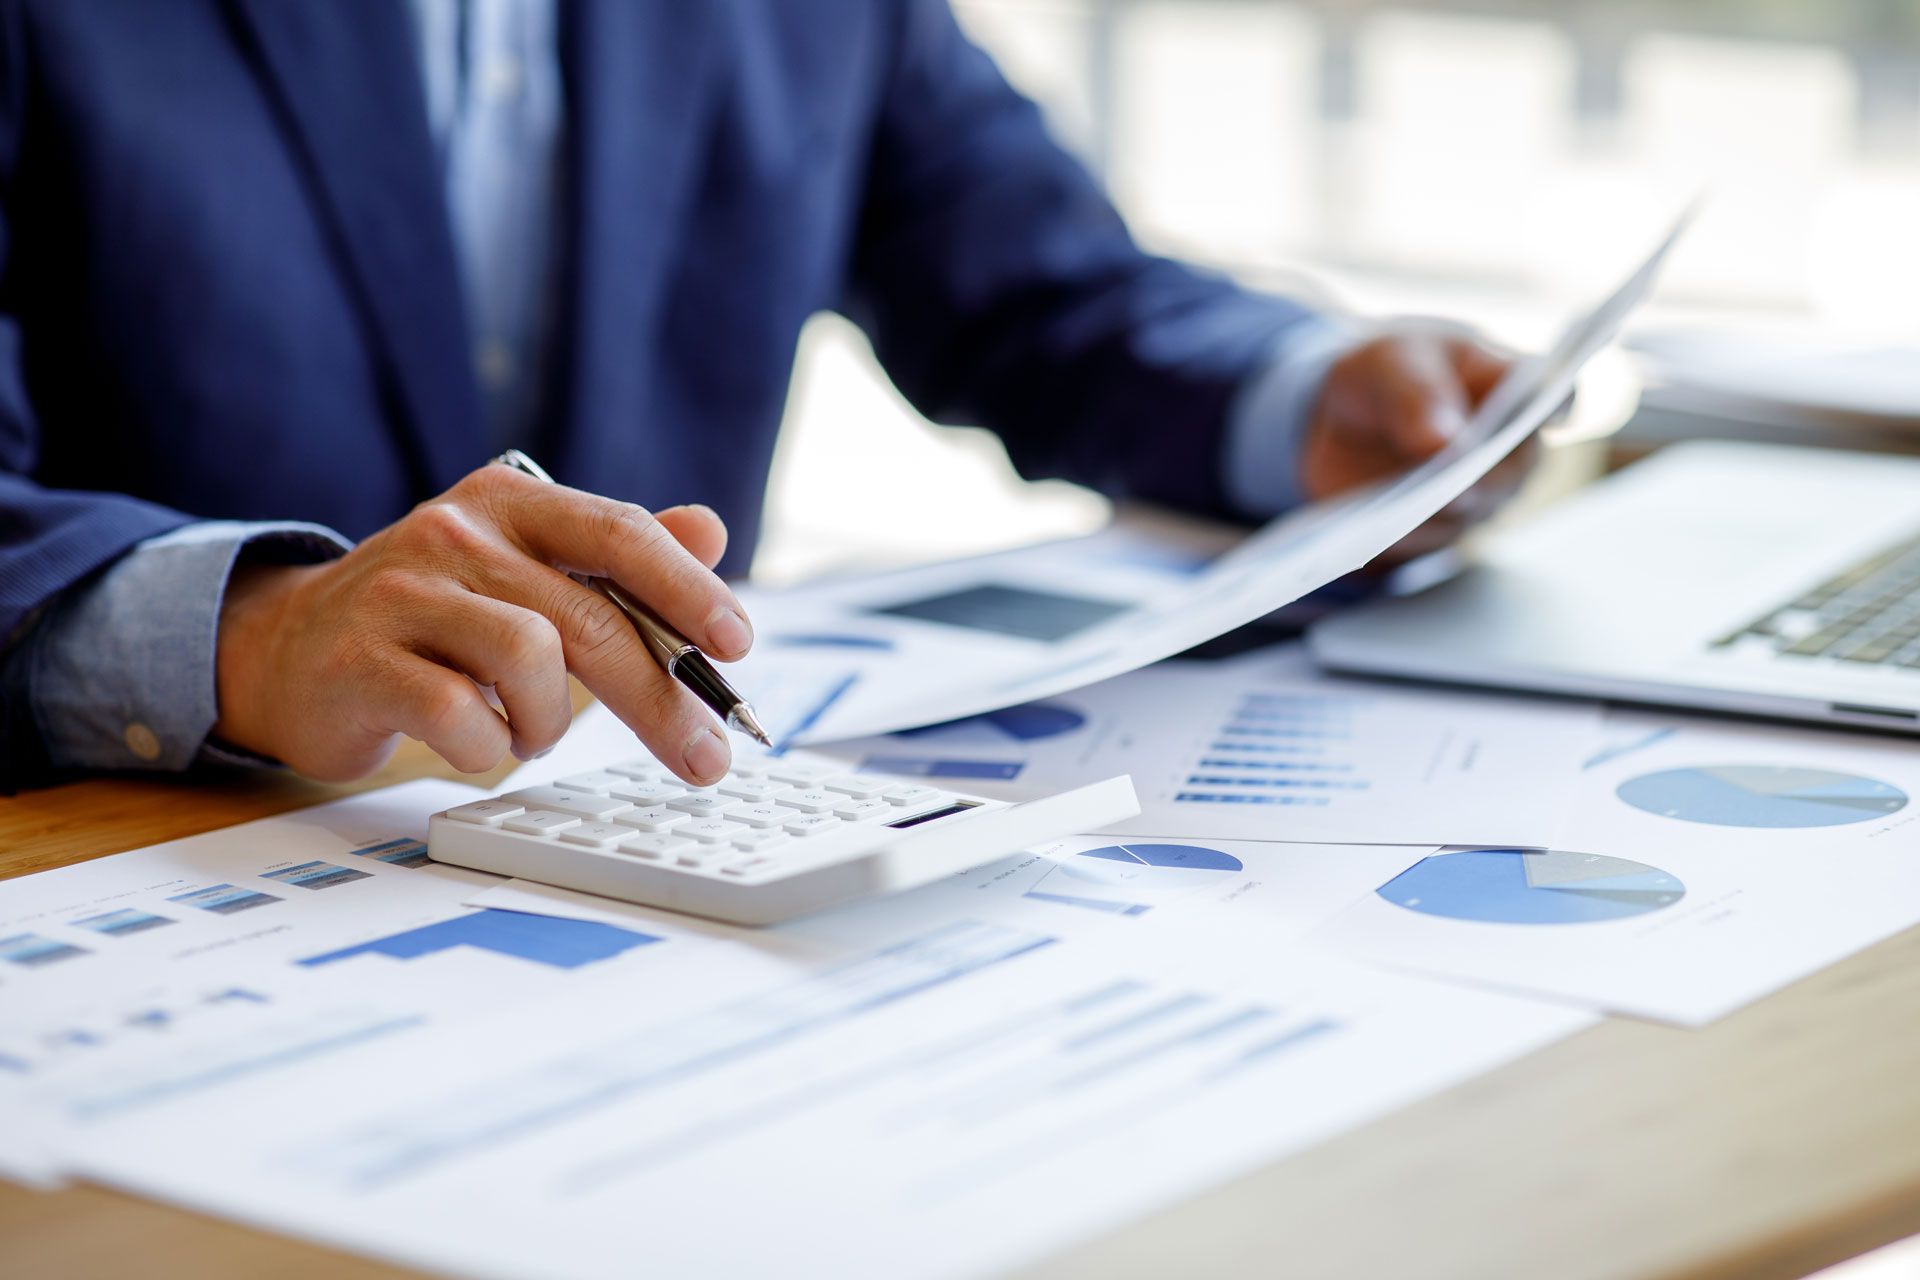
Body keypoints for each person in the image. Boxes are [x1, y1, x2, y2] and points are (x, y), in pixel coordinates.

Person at [0, 0, 1517, 792]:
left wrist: (1309, 396)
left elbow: (1040, 285)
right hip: (150, 867)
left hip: (653, 857)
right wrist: (251, 632)